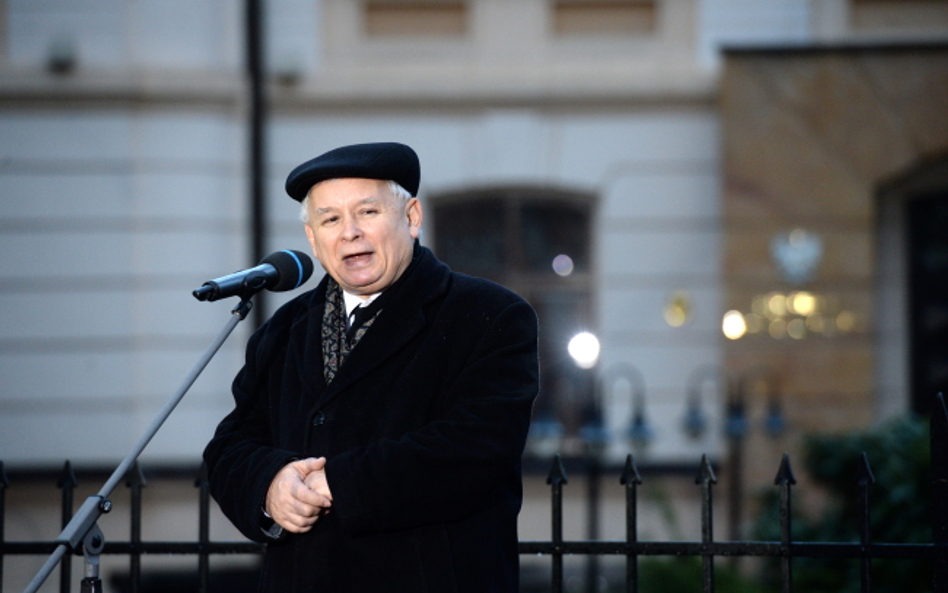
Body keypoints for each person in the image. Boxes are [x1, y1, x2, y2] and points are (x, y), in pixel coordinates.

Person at [203, 141, 540, 592]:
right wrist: (271, 484)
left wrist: (334, 484)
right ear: (312, 240)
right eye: (330, 219)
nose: (350, 233)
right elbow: (230, 447)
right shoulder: (283, 329)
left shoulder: (488, 315)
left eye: (367, 213)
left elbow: (475, 448)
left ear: (412, 217)